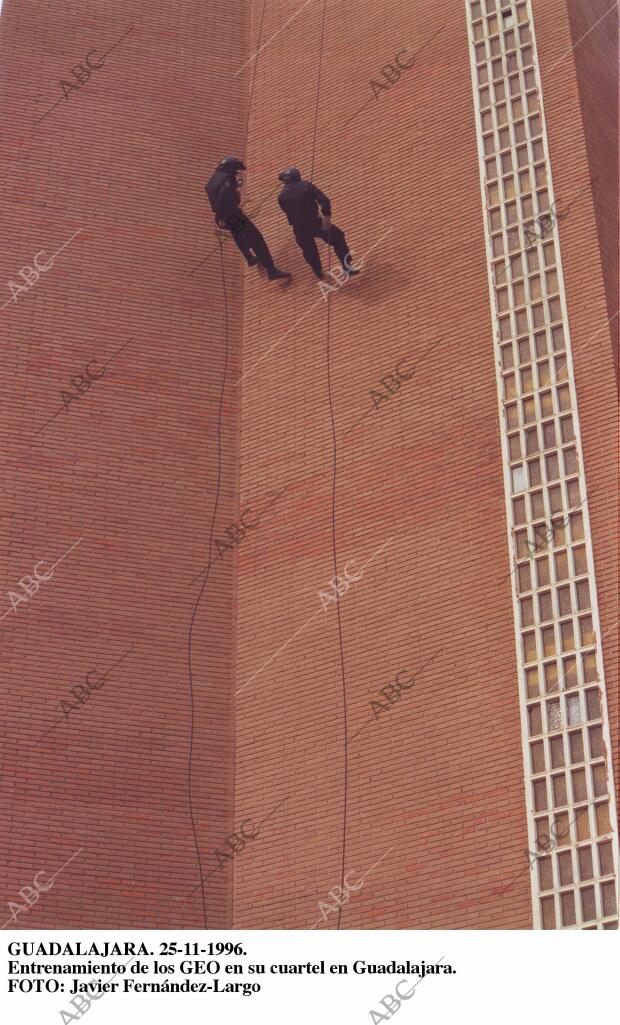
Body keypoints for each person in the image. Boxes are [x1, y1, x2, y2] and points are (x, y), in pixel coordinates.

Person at [205, 157, 290, 281]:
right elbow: (226, 197)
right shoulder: (228, 180)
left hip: (222, 216)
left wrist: (221, 214)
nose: (237, 172)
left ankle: (250, 257)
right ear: (231, 168)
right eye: (236, 170)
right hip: (232, 215)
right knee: (257, 239)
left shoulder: (215, 178)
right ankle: (271, 270)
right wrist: (236, 196)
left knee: (239, 235)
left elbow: (214, 193)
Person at [277, 167, 359, 281]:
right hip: (315, 223)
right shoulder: (306, 186)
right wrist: (326, 217)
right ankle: (347, 266)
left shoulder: (281, 196)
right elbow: (325, 201)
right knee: (338, 237)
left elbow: (285, 210)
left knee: (309, 250)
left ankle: (318, 271)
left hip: (299, 228)